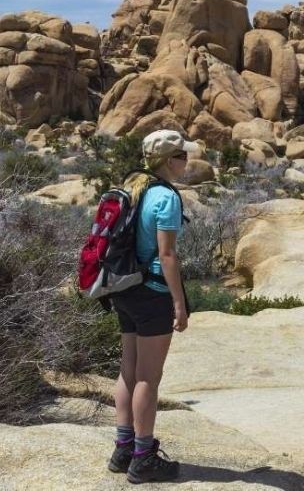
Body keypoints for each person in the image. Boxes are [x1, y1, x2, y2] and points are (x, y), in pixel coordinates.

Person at [106, 129, 197, 484]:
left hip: (124, 287)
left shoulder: (131, 185)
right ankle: (143, 458)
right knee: (148, 376)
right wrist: (179, 304)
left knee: (128, 369)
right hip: (153, 291)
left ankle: (123, 448)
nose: (186, 161)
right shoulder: (165, 197)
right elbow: (167, 254)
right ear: (168, 160)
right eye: (182, 155)